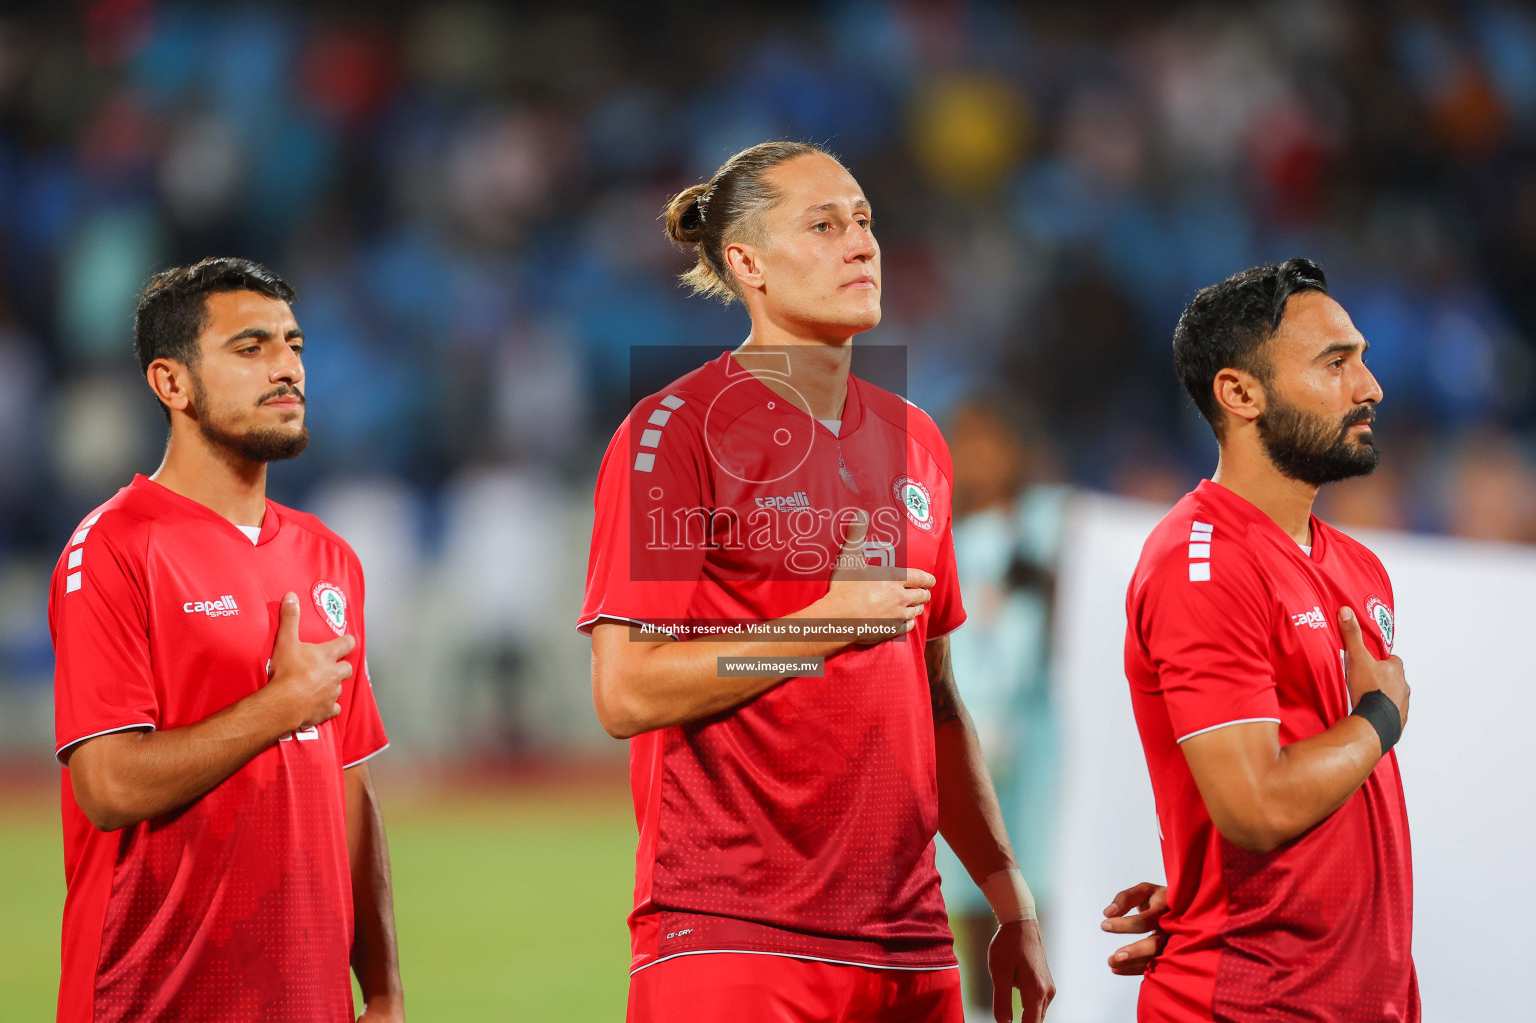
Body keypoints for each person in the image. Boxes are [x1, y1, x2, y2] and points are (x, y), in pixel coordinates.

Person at [577, 142, 1054, 1023]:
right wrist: (820, 625)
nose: (860, 244)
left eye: (865, 222)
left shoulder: (918, 439)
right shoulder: (673, 434)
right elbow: (626, 689)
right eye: (824, 225)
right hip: (735, 931)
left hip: (911, 946)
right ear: (747, 264)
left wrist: (1004, 890)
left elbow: (937, 700)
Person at [48, 258, 404, 1023]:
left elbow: (349, 788)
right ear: (171, 385)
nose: (287, 368)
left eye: (294, 344)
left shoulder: (328, 556)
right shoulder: (113, 547)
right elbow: (107, 788)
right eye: (250, 348)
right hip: (153, 1001)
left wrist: (381, 992)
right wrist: (281, 707)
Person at [1103, 259, 1416, 1021]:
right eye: (1336, 363)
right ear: (1240, 394)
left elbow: (1297, 799)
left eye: (1363, 359)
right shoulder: (1199, 563)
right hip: (1251, 1005)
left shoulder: (1358, 565)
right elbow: (1254, 804)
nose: (1370, 387)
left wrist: (1207, 888)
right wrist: (1382, 719)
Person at [935, 400, 1067, 1016]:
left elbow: (1059, 590)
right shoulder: (944, 538)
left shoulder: (1047, 523)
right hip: (963, 731)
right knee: (965, 888)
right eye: (964, 443)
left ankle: (1050, 1005)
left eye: (989, 442)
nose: (976, 458)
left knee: (1037, 885)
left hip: (1036, 739)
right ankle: (986, 1012)